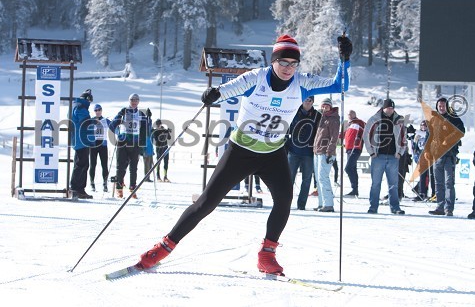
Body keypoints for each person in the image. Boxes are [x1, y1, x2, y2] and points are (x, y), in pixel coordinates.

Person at [134, 34, 352, 275]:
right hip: (241, 152)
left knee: (284, 200)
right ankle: (163, 247)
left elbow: (340, 85)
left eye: (293, 63)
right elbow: (226, 90)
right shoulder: (256, 78)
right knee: (206, 203)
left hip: (273, 153)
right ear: (273, 61)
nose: (289, 68)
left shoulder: (302, 83)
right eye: (283, 62)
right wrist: (213, 94)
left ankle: (266, 255)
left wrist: (345, 59)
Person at [362, 98, 406, 215]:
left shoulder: (399, 120)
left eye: (392, 108)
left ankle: (395, 207)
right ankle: (373, 207)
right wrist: (371, 151)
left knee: (393, 184)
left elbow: (403, 137)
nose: (390, 110)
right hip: (378, 156)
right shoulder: (374, 119)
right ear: (383, 108)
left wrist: (400, 152)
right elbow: (366, 135)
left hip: (393, 157)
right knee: (376, 183)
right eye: (388, 108)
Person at [428, 97, 465, 217]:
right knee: (438, 183)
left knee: (449, 182)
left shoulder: (453, 118)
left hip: (449, 155)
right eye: (439, 106)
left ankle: (448, 208)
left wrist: (447, 140)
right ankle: (440, 206)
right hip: (437, 156)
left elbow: (461, 131)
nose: (441, 108)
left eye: (443, 106)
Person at [109, 93, 148, 198]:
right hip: (123, 142)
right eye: (132, 100)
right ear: (129, 101)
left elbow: (144, 131)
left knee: (133, 168)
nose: (134, 102)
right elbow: (112, 126)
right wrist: (119, 121)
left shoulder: (141, 114)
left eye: (136, 100)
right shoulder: (124, 112)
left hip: (135, 143)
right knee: (120, 166)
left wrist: (142, 147)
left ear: (138, 102)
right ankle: (119, 187)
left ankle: (132, 188)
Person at [286, 96, 321, 210]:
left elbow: (320, 133)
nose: (308, 102)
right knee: (289, 179)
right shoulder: (294, 112)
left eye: (310, 100)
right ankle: (285, 203)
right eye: (306, 99)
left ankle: (301, 204)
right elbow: (286, 128)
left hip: (308, 153)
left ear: (313, 102)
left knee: (306, 180)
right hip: (293, 151)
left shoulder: (317, 115)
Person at [312, 97, 340, 212]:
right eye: (323, 106)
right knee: (318, 179)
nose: (324, 108)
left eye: (327, 106)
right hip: (317, 151)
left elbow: (334, 137)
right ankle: (321, 203)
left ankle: (328, 204)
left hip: (326, 152)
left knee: (323, 177)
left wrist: (330, 151)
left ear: (330, 107)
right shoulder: (322, 117)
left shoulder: (333, 119)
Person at [70, 89, 95, 199]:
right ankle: (77, 188)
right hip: (81, 140)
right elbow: (85, 122)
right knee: (82, 164)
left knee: (81, 164)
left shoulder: (77, 105)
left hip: (80, 139)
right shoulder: (81, 107)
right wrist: (93, 121)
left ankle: (77, 187)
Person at [89, 104, 111, 192]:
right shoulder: (91, 120)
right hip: (93, 145)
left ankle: (105, 184)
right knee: (93, 165)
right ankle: (92, 183)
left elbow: (114, 128)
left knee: (104, 165)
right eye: (96, 110)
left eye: (99, 110)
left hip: (103, 145)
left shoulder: (106, 120)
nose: (98, 112)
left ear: (101, 110)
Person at [343, 110, 365, 196]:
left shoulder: (358, 122)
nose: (349, 115)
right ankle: (355, 190)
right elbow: (345, 135)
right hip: (348, 149)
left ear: (355, 114)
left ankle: (355, 188)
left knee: (348, 168)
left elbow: (362, 132)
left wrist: (358, 141)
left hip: (355, 148)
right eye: (348, 114)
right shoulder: (349, 124)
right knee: (352, 169)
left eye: (351, 114)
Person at [412, 120, 431, 201]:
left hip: (428, 156)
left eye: (425, 126)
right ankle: (421, 192)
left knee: (427, 176)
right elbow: (415, 147)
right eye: (422, 125)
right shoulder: (418, 135)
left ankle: (424, 192)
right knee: (422, 175)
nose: (423, 127)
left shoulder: (428, 133)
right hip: (420, 156)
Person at [142, 110, 154, 182]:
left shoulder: (150, 136)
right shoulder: (145, 135)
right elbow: (147, 124)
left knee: (150, 165)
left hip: (150, 150)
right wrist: (143, 151)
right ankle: (146, 177)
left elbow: (149, 124)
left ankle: (148, 177)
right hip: (146, 151)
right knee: (146, 165)